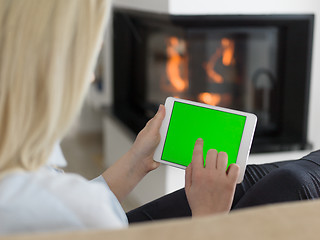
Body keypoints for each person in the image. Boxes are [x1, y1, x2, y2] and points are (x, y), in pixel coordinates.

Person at [0, 0, 240, 234]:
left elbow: (72, 206)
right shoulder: (78, 210)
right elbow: (76, 211)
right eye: (88, 62)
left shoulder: (41, 193)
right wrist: (210, 219)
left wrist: (137, 161)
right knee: (258, 185)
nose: (91, 77)